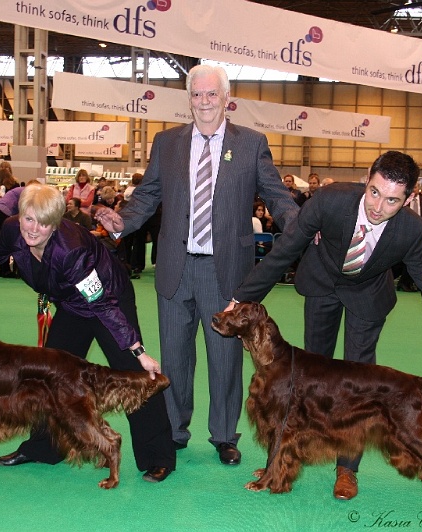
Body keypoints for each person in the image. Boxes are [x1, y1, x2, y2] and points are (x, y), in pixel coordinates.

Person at [225, 150, 422, 501]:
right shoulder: (330, 201)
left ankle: (347, 470)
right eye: (375, 192)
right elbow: (285, 250)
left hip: (368, 296)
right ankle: (282, 456)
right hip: (321, 284)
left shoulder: (411, 231)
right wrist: (241, 298)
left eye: (393, 200)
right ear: (368, 179)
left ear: (409, 198)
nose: (378, 207)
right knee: (306, 376)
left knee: (361, 382)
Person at [107, 64, 299, 466]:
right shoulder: (167, 142)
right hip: (176, 267)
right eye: (197, 95)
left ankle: (224, 435)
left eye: (212, 95)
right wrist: (122, 221)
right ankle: (175, 430)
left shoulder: (251, 143)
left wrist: (302, 226)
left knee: (225, 359)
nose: (204, 102)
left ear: (227, 99)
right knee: (174, 357)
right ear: (189, 99)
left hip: (225, 272)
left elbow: (276, 194)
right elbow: (148, 194)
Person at [0, 183, 175, 483]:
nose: (34, 229)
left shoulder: (71, 249)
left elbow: (102, 304)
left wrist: (138, 351)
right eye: (29, 219)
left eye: (43, 223)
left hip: (109, 300)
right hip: (71, 304)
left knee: (133, 373)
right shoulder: (12, 230)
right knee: (47, 376)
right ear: (21, 214)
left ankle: (158, 456)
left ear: (55, 223)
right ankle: (44, 449)